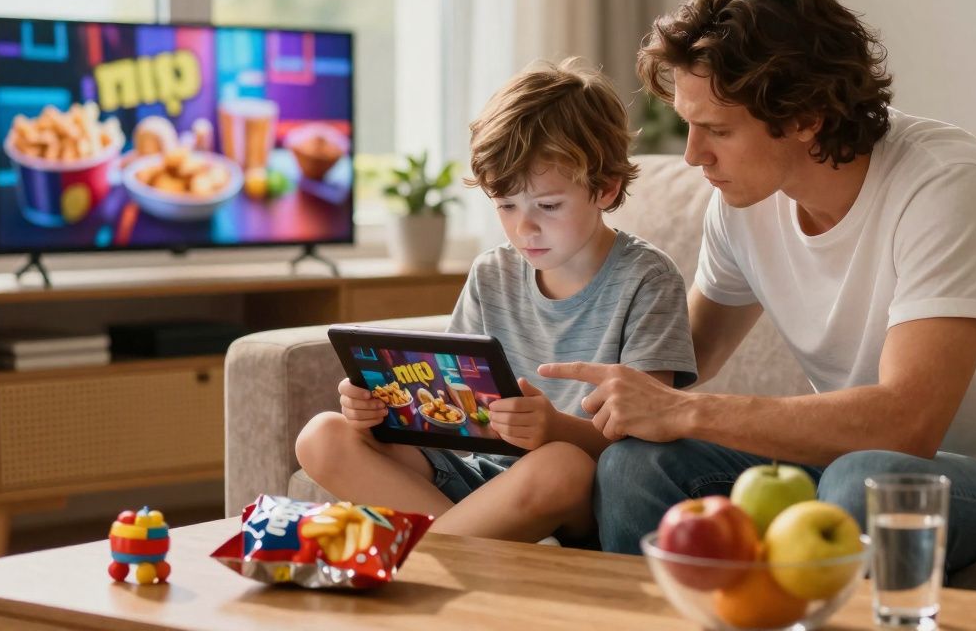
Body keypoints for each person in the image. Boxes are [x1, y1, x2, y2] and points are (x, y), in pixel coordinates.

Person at [539, 0, 976, 570]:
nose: (691, 155)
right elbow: (676, 364)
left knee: (865, 484)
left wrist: (685, 412)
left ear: (806, 117)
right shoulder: (742, 205)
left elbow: (907, 424)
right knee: (636, 467)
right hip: (844, 469)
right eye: (687, 124)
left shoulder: (944, 185)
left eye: (717, 130)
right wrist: (548, 387)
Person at [296, 58, 697, 545]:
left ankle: (427, 555)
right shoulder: (492, 272)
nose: (524, 227)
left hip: (570, 489)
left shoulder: (647, 280)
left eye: (547, 206)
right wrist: (384, 410)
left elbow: (648, 437)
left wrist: (554, 428)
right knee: (322, 435)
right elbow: (450, 411)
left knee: (561, 464)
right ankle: (467, 549)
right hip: (478, 478)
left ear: (605, 188)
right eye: (505, 205)